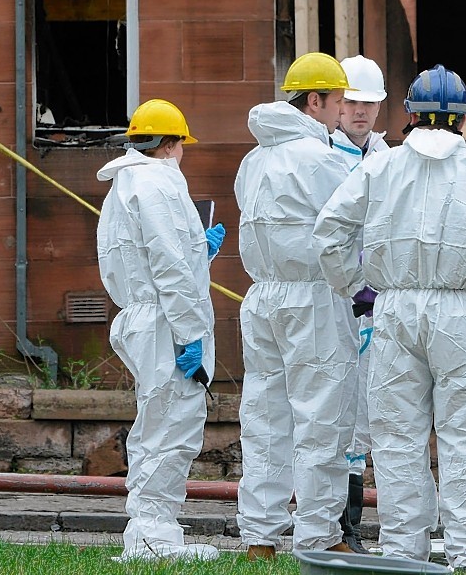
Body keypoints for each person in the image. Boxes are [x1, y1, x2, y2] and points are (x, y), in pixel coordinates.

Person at [314, 65, 466, 571]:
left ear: (409, 114)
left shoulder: (379, 168)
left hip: (394, 310)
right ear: (463, 118)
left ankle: (404, 559)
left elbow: (329, 232)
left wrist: (357, 288)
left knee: (396, 441)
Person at [235, 52, 357, 560]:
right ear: (315, 100)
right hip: (314, 298)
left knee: (264, 419)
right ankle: (319, 536)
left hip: (262, 297)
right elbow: (346, 229)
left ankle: (259, 538)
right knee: (321, 419)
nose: (341, 114)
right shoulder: (319, 159)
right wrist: (358, 282)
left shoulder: (254, 158)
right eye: (337, 103)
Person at [96, 98, 226, 563]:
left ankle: (149, 531)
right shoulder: (160, 185)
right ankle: (155, 539)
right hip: (166, 324)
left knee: (156, 422)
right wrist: (191, 334)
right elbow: (171, 268)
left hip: (144, 316)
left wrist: (200, 253)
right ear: (170, 144)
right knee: (172, 426)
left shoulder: (126, 184)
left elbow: (146, 261)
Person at [332, 54, 389, 551]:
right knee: (334, 413)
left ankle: (350, 524)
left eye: (369, 103)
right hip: (332, 301)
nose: (360, 111)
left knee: (369, 414)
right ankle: (335, 525)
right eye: (351, 101)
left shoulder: (389, 158)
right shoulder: (322, 155)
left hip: (380, 304)